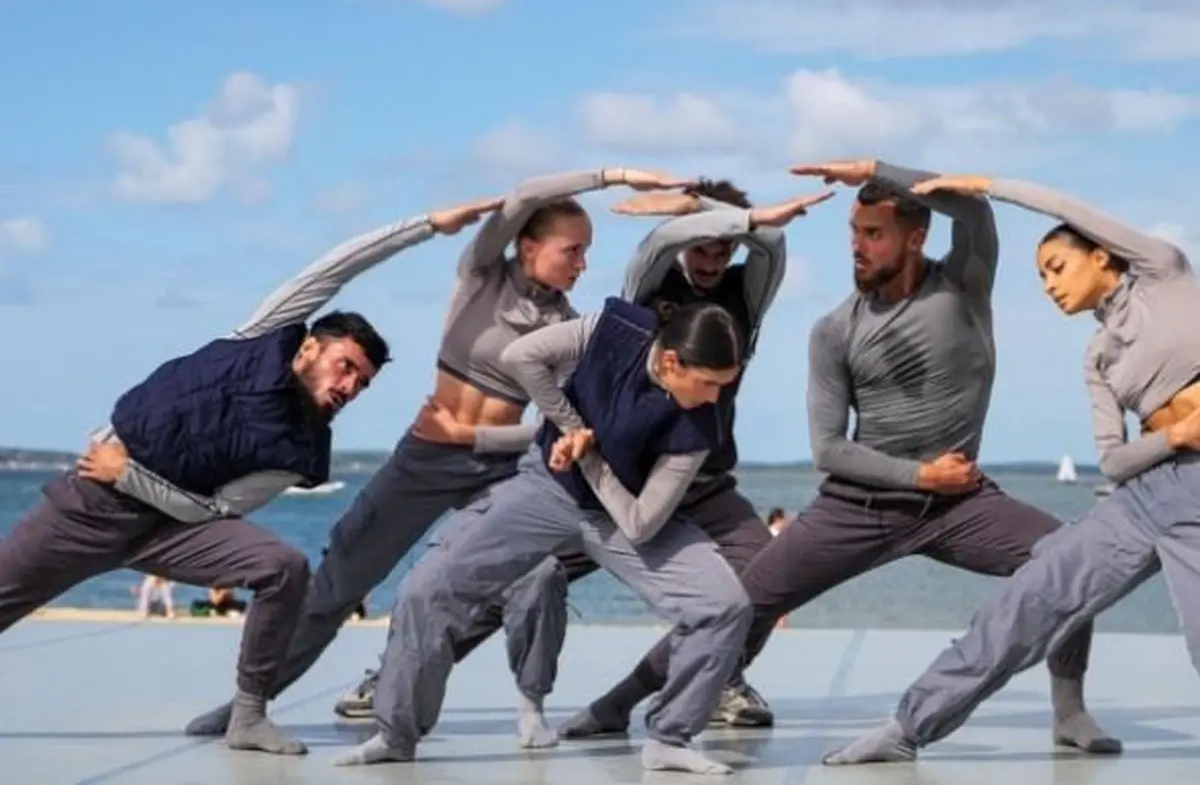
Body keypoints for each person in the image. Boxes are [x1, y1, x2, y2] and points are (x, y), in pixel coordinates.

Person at [183, 167, 691, 741]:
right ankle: (248, 705)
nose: (582, 264)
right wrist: (614, 176)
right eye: (572, 250)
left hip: (500, 467)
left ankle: (532, 707)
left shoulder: (569, 328)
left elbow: (568, 428)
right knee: (336, 584)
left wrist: (476, 439)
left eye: (586, 253)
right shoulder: (482, 274)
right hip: (423, 459)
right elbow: (524, 195)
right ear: (528, 246)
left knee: (540, 574)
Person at [0, 197, 499, 755]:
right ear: (310, 346)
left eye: (361, 384)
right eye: (346, 367)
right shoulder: (265, 332)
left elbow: (211, 512)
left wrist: (130, 476)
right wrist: (430, 226)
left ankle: (249, 716)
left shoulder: (302, 451)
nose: (349, 386)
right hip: (91, 506)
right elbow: (339, 265)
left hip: (169, 525)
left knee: (281, 566)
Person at [330, 179, 834, 731]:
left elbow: (774, 243)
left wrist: (718, 212)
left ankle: (720, 680)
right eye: (702, 244)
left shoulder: (747, 293)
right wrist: (694, 213)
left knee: (766, 573)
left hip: (701, 474)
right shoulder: (651, 282)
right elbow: (661, 238)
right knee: (510, 575)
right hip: (607, 476)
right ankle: (395, 675)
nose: (712, 258)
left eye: (723, 247)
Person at [703, 158, 1119, 757]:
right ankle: (634, 700)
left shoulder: (963, 288)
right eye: (854, 232)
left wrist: (877, 167)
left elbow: (974, 208)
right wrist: (920, 474)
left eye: (873, 232)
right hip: (859, 504)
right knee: (741, 604)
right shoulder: (833, 328)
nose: (857, 245)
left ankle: (1070, 710)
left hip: (958, 505)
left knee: (1070, 559)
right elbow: (827, 449)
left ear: (916, 236)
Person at [822, 173, 1200, 765]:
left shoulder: (1165, 273)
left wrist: (990, 187)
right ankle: (907, 726)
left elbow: (1068, 201)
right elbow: (1113, 458)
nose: (1049, 285)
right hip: (1144, 494)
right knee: (1031, 596)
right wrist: (1175, 434)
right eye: (1040, 276)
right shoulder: (1097, 354)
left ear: (1101, 255)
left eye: (1057, 266)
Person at [333, 298, 748, 774]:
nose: (716, 397)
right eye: (709, 383)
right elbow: (520, 357)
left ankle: (670, 737)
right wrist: (570, 425)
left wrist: (587, 456)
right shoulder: (614, 330)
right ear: (671, 361)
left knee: (723, 604)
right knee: (426, 590)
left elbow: (639, 523)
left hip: (618, 516)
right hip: (545, 489)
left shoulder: (700, 423)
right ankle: (395, 733)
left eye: (725, 385)